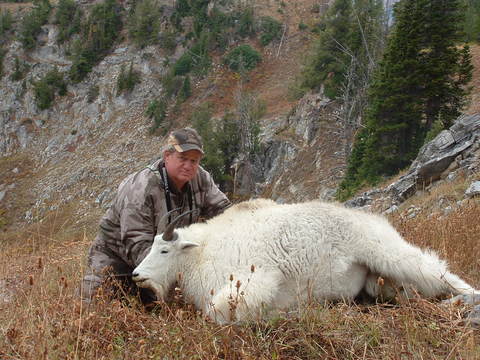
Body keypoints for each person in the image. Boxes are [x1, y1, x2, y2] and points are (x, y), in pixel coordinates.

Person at [80, 127, 231, 303]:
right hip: (116, 259)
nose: (189, 166)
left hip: (167, 256)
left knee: (174, 309)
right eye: (183, 158)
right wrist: (179, 273)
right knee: (92, 308)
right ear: (167, 156)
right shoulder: (141, 188)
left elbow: (225, 215)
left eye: (194, 160)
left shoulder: (201, 178)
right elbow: (136, 242)